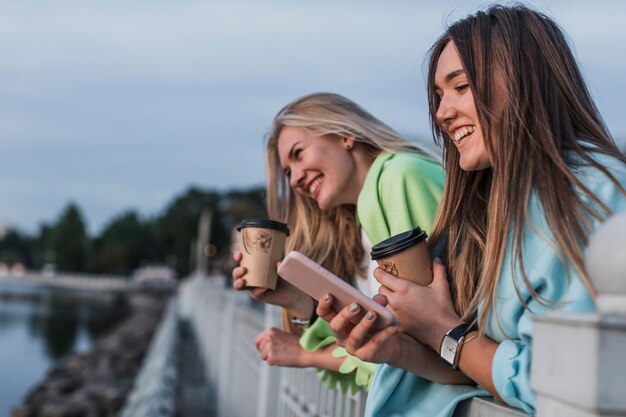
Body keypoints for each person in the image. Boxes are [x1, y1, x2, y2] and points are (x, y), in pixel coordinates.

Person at [317, 4, 626, 416]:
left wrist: (445, 330)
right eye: (439, 96)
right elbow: (484, 370)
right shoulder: (489, 207)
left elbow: (571, 387)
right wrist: (399, 349)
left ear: (525, 80)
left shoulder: (592, 195)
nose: (442, 113)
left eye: (460, 87)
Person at [232, 92, 445, 392]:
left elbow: (430, 343)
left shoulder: (401, 176)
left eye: (299, 153)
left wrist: (307, 354)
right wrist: (295, 300)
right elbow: (392, 349)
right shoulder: (360, 224)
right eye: (288, 172)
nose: (293, 181)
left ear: (345, 134)